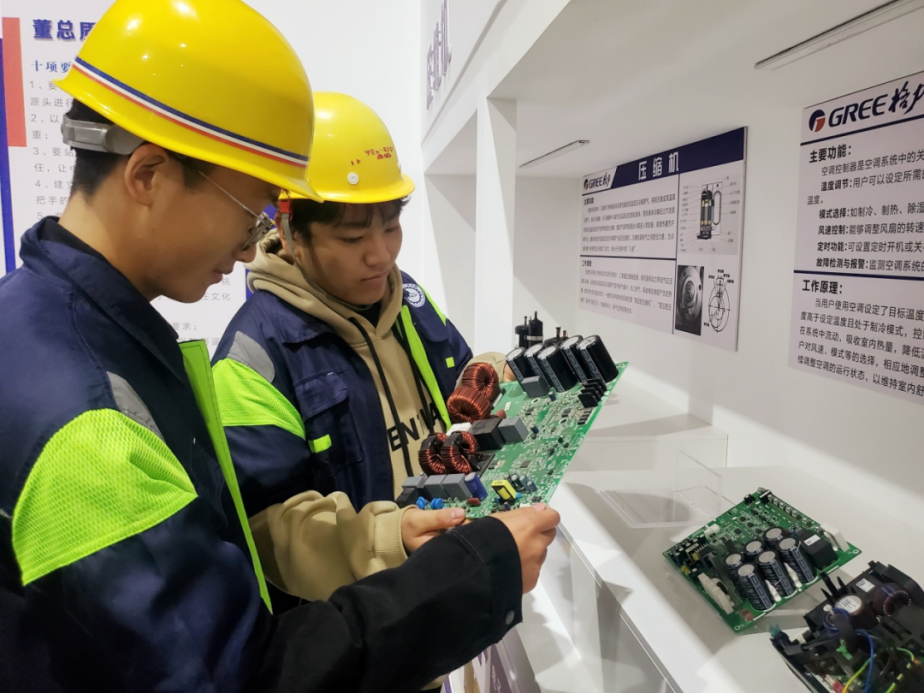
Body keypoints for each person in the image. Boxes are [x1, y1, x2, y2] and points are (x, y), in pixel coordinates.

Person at [0, 3, 560, 692]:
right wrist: (475, 571)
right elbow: (245, 675)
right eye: (250, 212)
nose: (249, 248)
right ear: (147, 175)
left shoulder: (62, 334)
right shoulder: (91, 419)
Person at [212, 92, 510, 601]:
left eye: (391, 226)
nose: (381, 255)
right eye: (353, 238)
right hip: (360, 622)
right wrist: (386, 540)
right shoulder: (252, 358)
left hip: (442, 587)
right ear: (289, 231)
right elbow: (268, 531)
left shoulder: (408, 299)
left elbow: (460, 387)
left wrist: (490, 369)